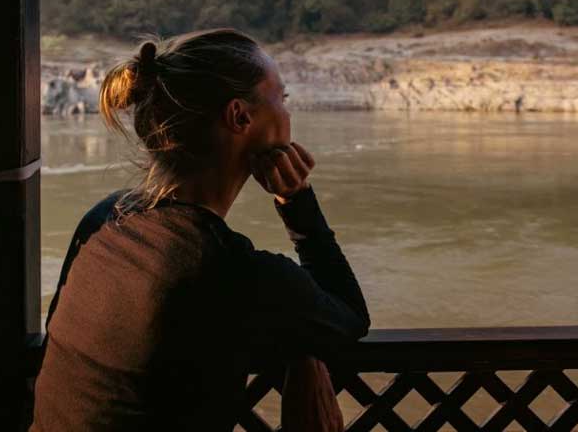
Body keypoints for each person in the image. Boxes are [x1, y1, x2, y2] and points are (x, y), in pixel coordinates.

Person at [31, 28, 369, 431]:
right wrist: (296, 203)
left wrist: (298, 338)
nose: (288, 113)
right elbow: (350, 318)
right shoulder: (228, 268)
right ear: (240, 116)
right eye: (283, 98)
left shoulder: (104, 218)